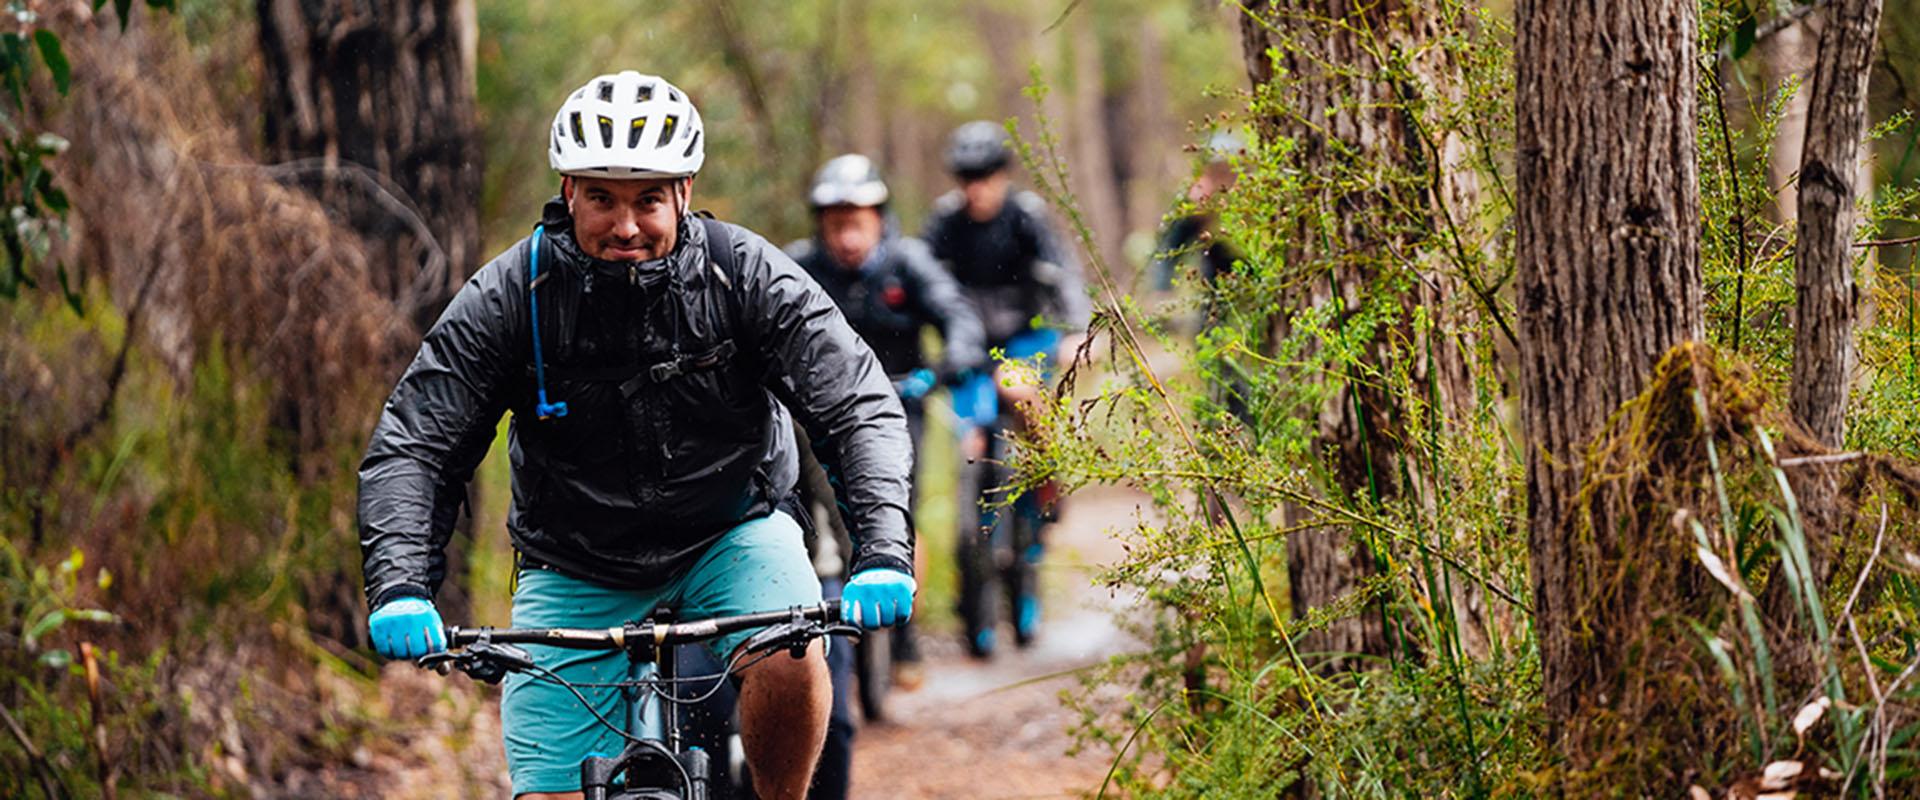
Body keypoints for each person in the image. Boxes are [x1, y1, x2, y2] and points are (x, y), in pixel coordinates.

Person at [355, 71, 917, 800]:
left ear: (684, 192)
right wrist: (401, 585)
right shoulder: (509, 295)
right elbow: (417, 443)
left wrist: (883, 550)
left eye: (647, 199)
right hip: (574, 561)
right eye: (602, 198)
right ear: (567, 193)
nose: (626, 226)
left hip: (732, 530)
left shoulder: (743, 274)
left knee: (788, 653)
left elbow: (857, 406)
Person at [786, 153, 988, 703]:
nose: (847, 236)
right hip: (817, 417)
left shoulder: (908, 262)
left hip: (900, 410)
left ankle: (904, 640)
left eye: (857, 222)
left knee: (899, 513)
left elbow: (959, 316)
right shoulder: (799, 267)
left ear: (879, 218)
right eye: (835, 224)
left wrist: (948, 366)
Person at [920, 120, 1089, 657]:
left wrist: (1078, 330)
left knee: (1021, 393)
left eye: (986, 176)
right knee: (968, 442)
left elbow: (1064, 275)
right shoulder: (944, 224)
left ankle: (1047, 477)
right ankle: (976, 593)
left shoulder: (1026, 217)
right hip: (970, 352)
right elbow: (917, 275)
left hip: (1022, 342)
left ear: (1002, 175)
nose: (977, 187)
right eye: (968, 177)